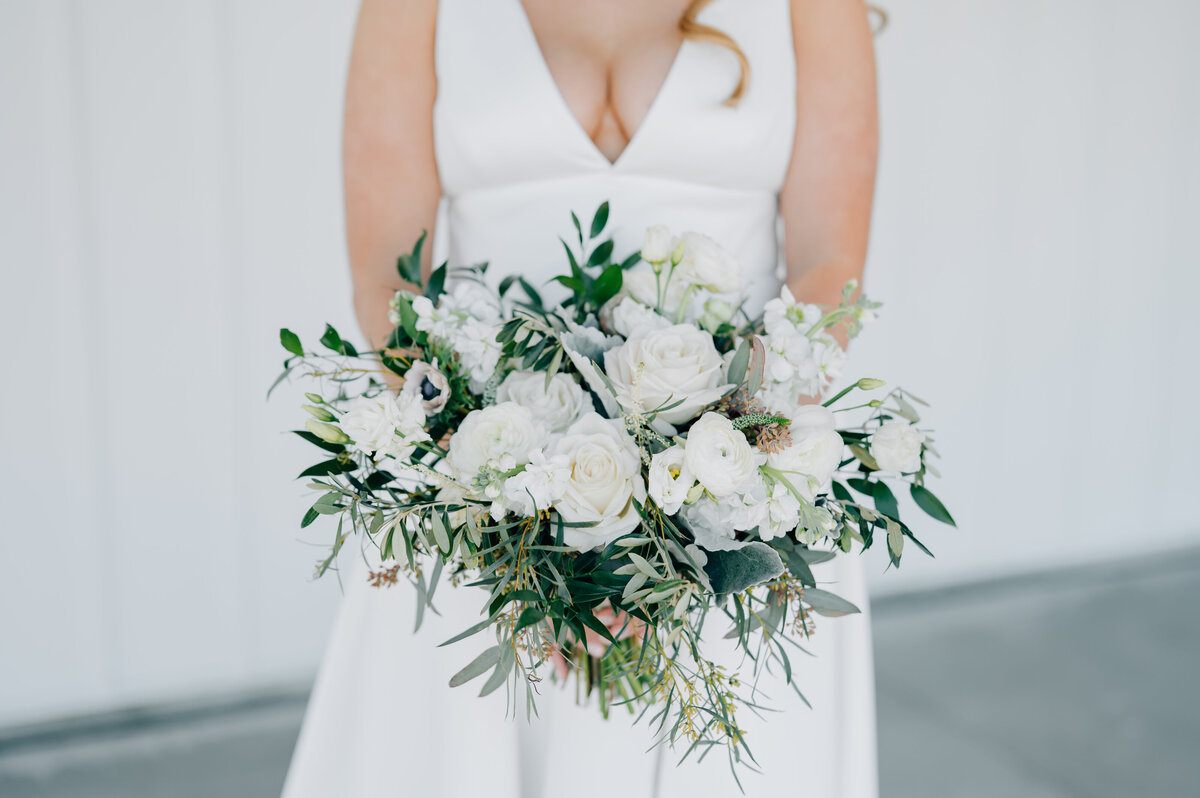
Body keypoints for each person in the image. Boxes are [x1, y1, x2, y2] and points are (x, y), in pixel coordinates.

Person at [283, 1, 880, 795]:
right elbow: (389, 281)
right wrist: (516, 511)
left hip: (739, 490)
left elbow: (827, 265)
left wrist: (701, 489)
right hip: (483, 501)